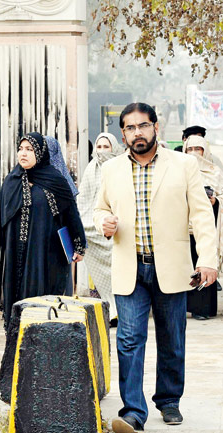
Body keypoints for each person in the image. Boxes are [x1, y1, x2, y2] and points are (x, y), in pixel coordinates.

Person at [94, 103, 218, 432]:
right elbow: (99, 209)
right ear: (123, 134)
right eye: (130, 128)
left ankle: (169, 399)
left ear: (155, 128)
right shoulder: (112, 170)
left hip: (172, 267)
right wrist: (104, 222)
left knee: (172, 338)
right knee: (129, 340)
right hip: (130, 267)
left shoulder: (183, 164)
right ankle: (133, 412)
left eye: (143, 126)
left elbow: (202, 214)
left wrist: (208, 259)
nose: (137, 132)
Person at [0, 132, 86, 324]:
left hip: (45, 254)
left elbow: (71, 214)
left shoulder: (56, 181)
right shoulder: (11, 180)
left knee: (42, 300)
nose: (23, 153)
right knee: (16, 297)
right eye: (20, 149)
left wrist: (79, 245)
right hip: (15, 252)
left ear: (40, 153)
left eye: (29, 149)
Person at [76, 132, 125, 323]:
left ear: (114, 148)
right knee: (103, 278)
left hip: (118, 228)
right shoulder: (91, 168)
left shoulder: (121, 167)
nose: (102, 151)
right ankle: (112, 310)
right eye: (99, 147)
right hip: (94, 227)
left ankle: (123, 309)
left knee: (119, 273)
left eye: (107, 147)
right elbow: (84, 199)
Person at [183, 135, 222, 320]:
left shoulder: (215, 172)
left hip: (207, 228)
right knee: (189, 266)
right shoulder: (180, 171)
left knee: (206, 265)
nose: (193, 153)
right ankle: (191, 307)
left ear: (205, 151)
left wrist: (215, 201)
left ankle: (205, 309)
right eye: (189, 149)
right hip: (185, 228)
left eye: (197, 149)